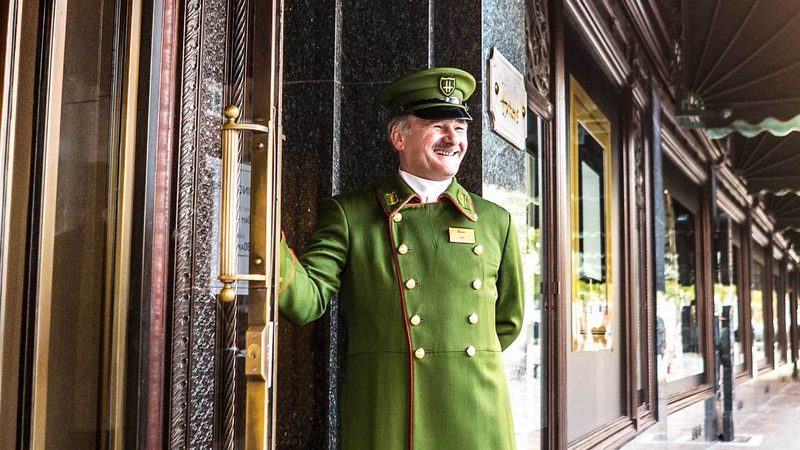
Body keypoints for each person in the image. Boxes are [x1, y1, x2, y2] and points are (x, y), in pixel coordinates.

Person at [278, 67, 524, 450]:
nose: (452, 139)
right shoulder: (352, 215)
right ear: (398, 137)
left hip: (478, 413)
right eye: (438, 126)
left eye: (460, 129)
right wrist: (263, 240)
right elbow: (306, 302)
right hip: (390, 412)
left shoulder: (496, 221)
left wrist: (457, 357)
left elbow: (508, 321)